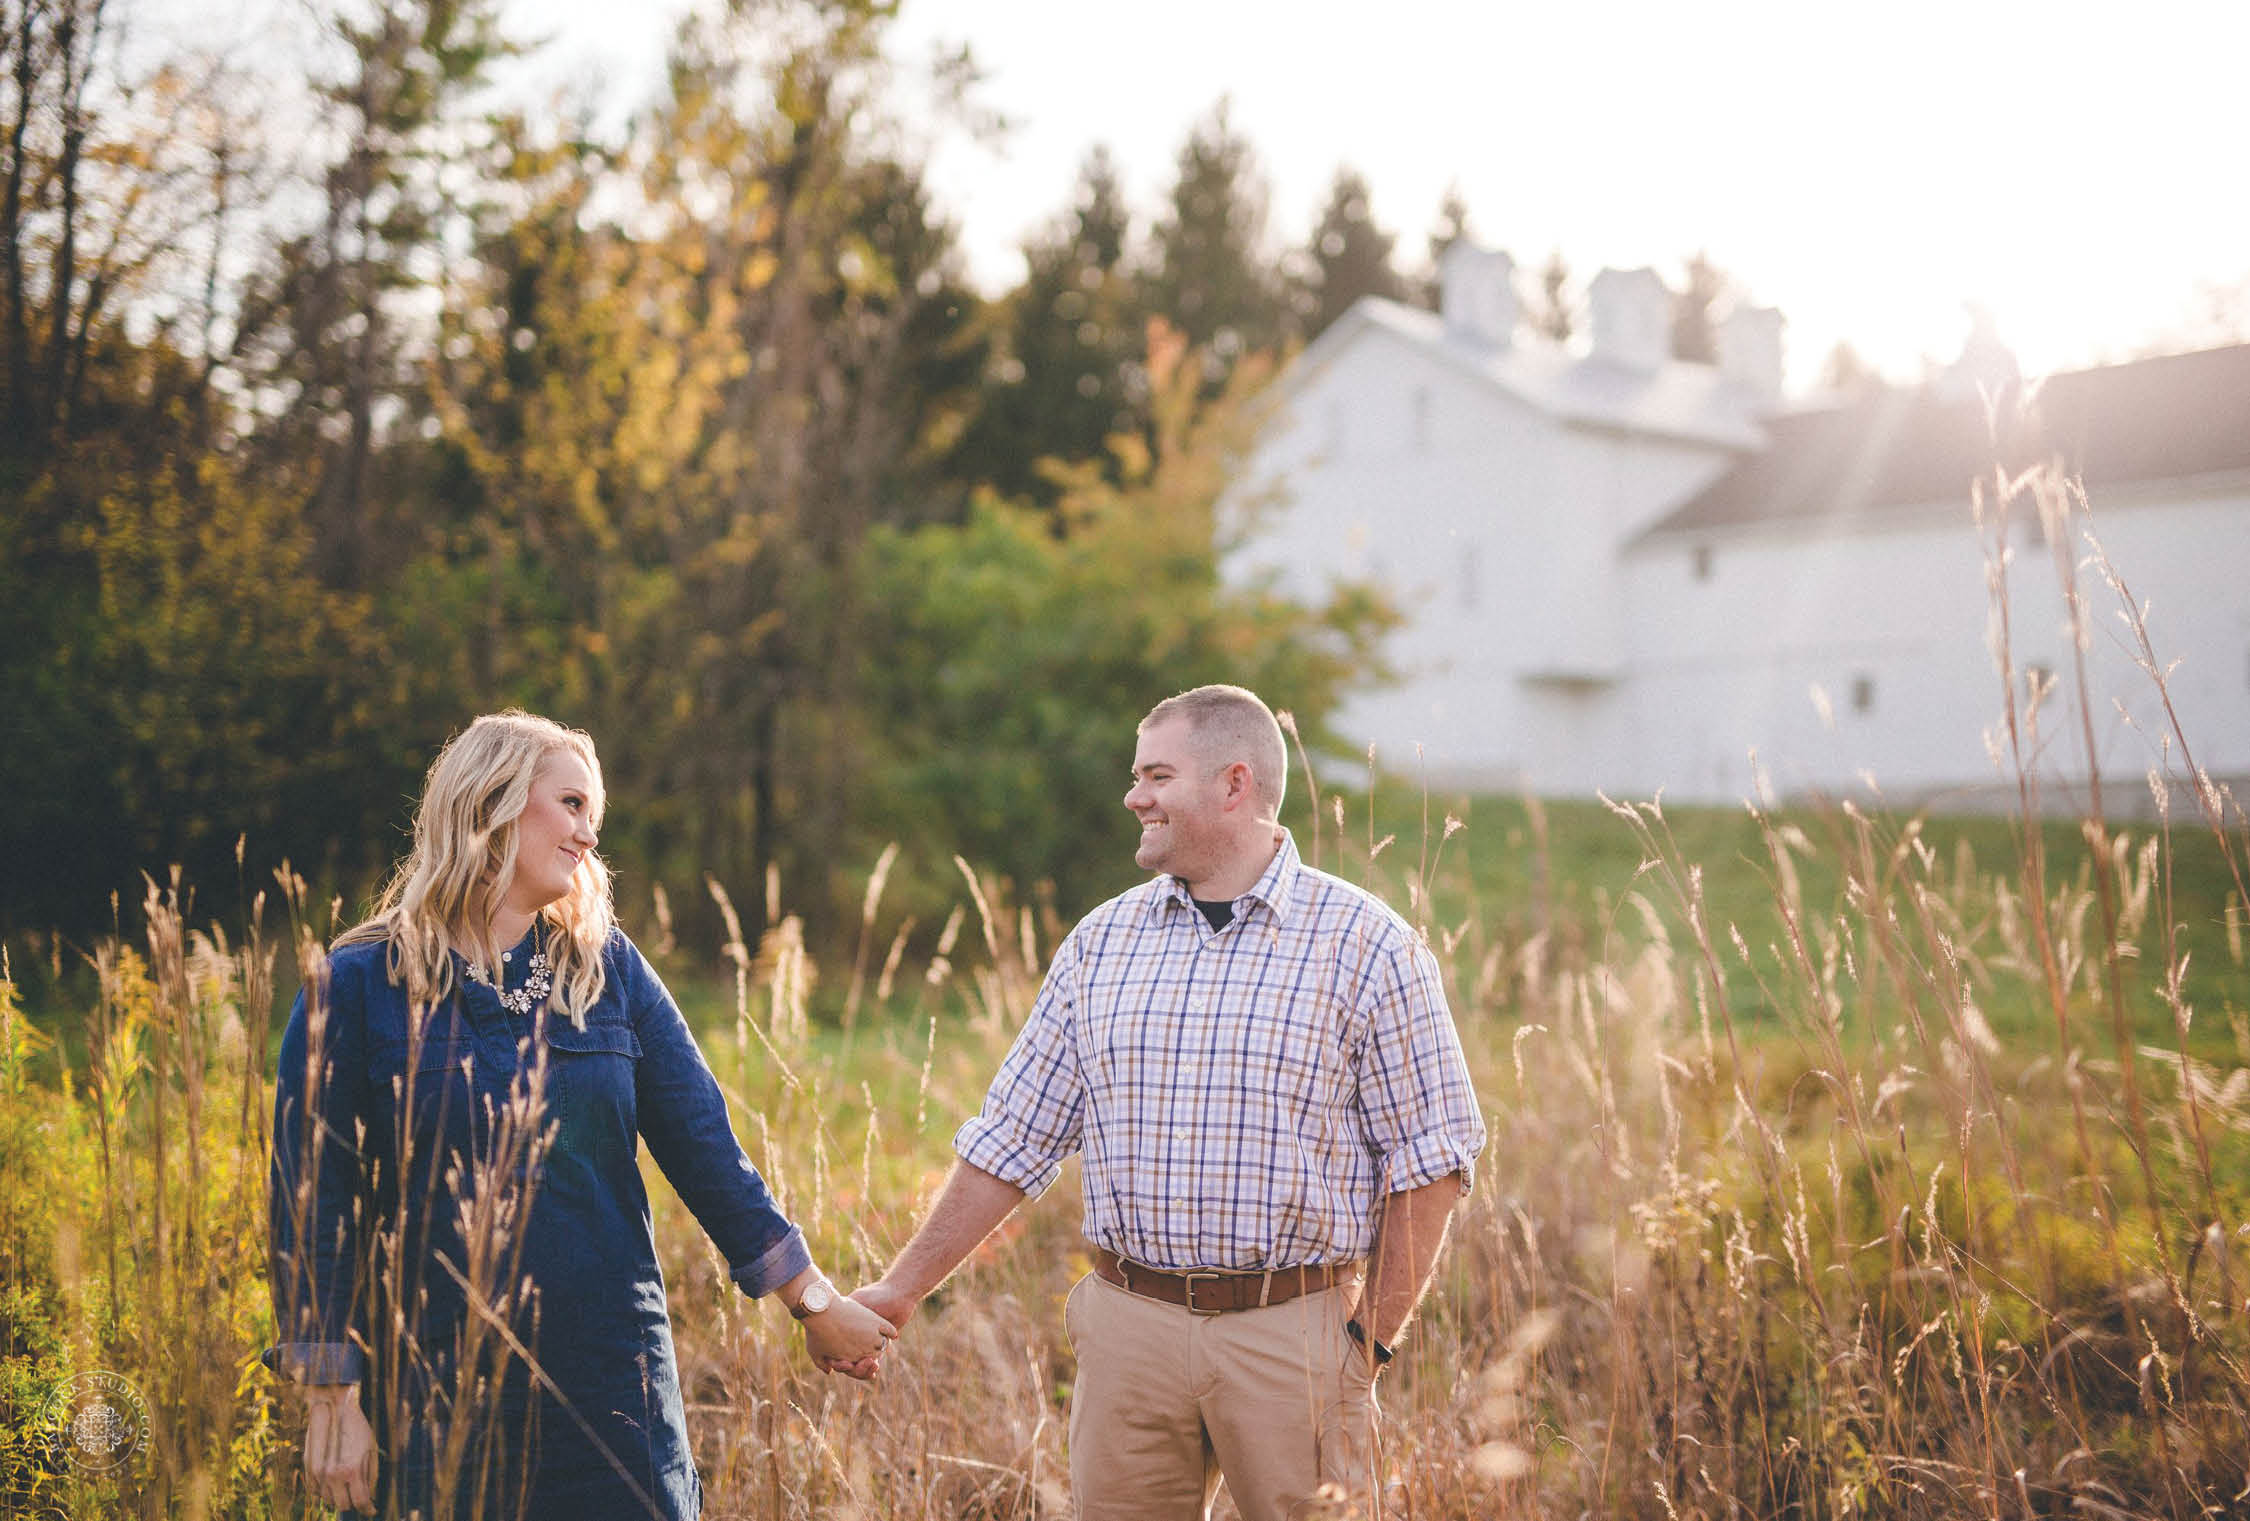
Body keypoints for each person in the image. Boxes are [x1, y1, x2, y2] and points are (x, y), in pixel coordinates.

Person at [840, 684, 1487, 1520]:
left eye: (1155, 775)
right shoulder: (1100, 943)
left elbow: (1431, 1162)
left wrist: (1365, 1348)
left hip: (1294, 1334)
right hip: (1128, 1332)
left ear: (1233, 783)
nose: (1132, 796)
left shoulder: (1368, 944)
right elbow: (1011, 1140)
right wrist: (900, 1287)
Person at [265, 710, 896, 1519]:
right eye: (570, 803)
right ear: (490, 802)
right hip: (431, 1404)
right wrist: (330, 1398)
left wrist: (813, 1302)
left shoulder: (608, 972)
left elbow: (706, 1147)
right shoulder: (355, 986)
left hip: (612, 1395)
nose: (588, 834)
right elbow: (312, 1200)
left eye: (592, 813)